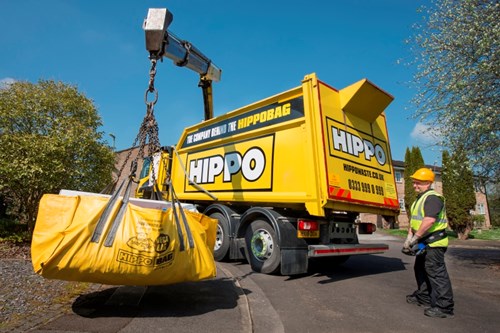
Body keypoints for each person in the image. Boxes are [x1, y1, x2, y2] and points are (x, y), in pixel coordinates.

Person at [402, 167, 454, 318]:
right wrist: (409, 238)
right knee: (420, 269)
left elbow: (429, 220)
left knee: (436, 273)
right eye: (414, 182)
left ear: (428, 183)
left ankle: (444, 306)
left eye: (418, 182)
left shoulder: (433, 198)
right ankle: (423, 297)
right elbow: (415, 221)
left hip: (434, 242)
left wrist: (415, 237)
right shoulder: (420, 199)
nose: (414, 185)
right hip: (423, 241)